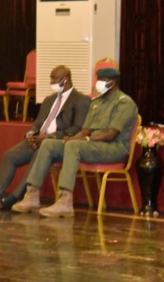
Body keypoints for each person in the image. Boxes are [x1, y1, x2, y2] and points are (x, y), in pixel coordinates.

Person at [12, 67, 138, 217]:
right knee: (49, 144)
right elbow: (85, 130)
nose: (98, 84)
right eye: (98, 80)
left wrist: (83, 140)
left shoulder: (124, 103)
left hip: (113, 148)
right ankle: (32, 194)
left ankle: (65, 200)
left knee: (74, 145)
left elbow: (111, 134)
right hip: (91, 145)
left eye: (102, 81)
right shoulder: (96, 102)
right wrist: (74, 137)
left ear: (112, 83)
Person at [0, 66, 91, 209]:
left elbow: (78, 128)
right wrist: (32, 134)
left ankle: (14, 198)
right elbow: (37, 124)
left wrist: (50, 136)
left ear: (66, 79)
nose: (51, 82)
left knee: (39, 154)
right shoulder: (49, 100)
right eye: (51, 78)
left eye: (54, 78)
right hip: (38, 139)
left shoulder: (81, 100)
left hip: (57, 143)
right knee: (9, 156)